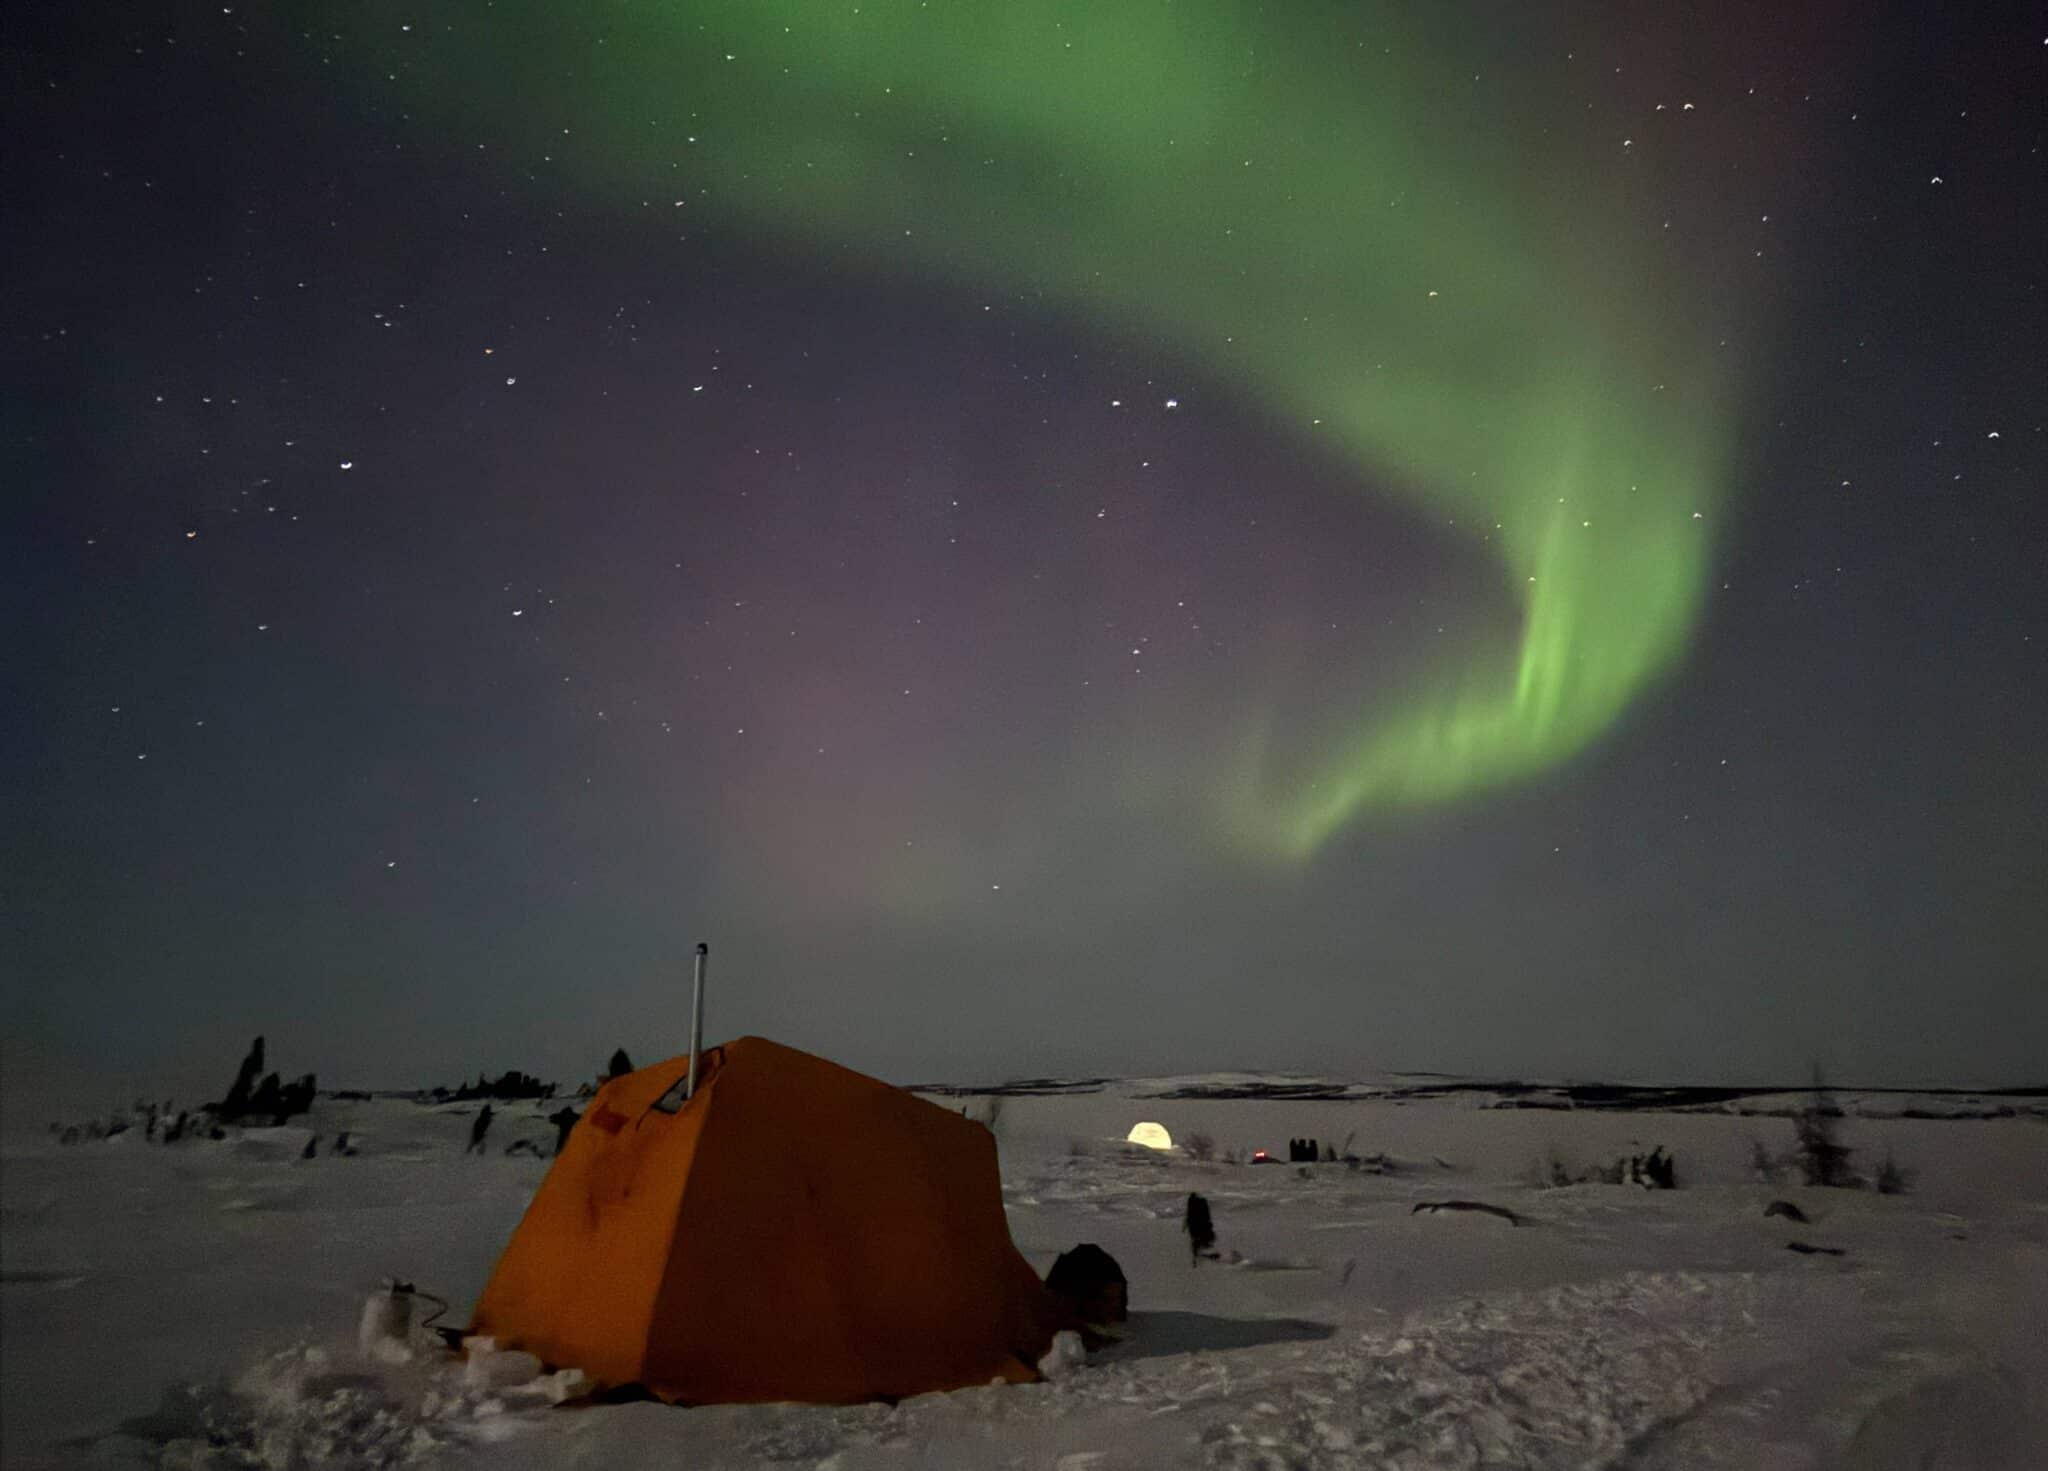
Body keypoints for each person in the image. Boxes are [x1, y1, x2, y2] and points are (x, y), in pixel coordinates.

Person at [1184, 1192, 1217, 1265]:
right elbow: (1207, 1216)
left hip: (1197, 1228)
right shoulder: (1202, 1202)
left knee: (1197, 1242)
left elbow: (1189, 1215)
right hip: (1201, 1227)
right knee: (1200, 1242)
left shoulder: (1194, 1203)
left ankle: (1197, 1257)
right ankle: (1199, 1256)